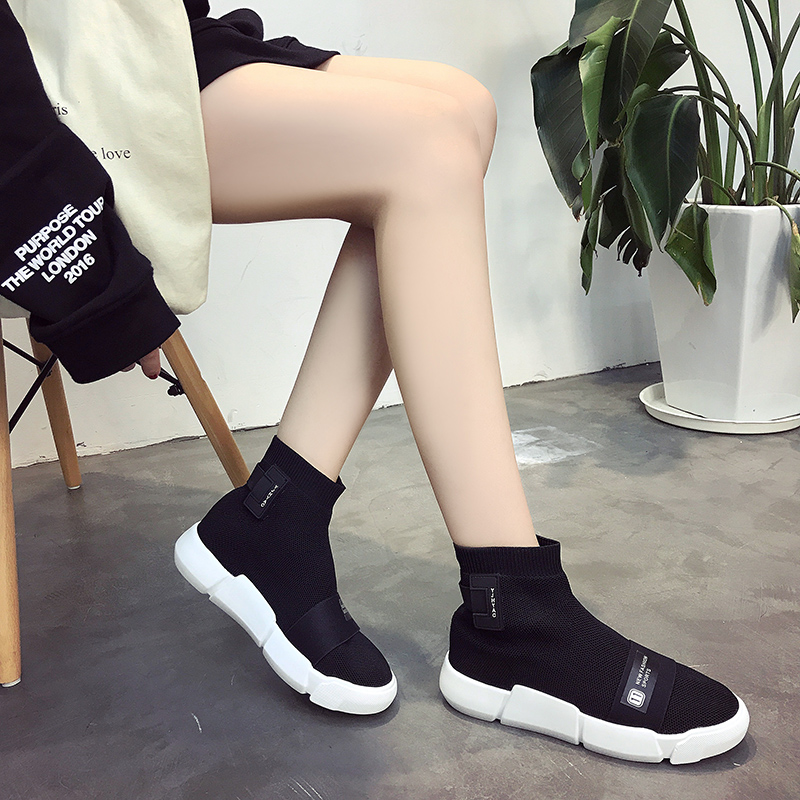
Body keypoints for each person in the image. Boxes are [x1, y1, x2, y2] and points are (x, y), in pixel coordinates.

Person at [2, 1, 749, 765]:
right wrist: (94, 285)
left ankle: (278, 511)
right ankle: (512, 611)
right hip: (43, 98)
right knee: (425, 150)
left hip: (145, 48)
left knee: (464, 109)